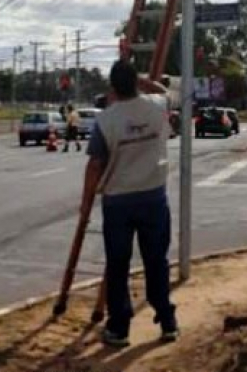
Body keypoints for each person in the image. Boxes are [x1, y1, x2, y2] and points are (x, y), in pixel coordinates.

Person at [79, 60, 178, 347]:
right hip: (153, 196)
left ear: (112, 87)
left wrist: (86, 204)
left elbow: (95, 165)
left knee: (118, 265)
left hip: (118, 202)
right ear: (136, 82)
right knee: (156, 261)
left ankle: (119, 328)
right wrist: (145, 80)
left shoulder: (106, 120)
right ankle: (167, 321)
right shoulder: (157, 105)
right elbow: (165, 91)